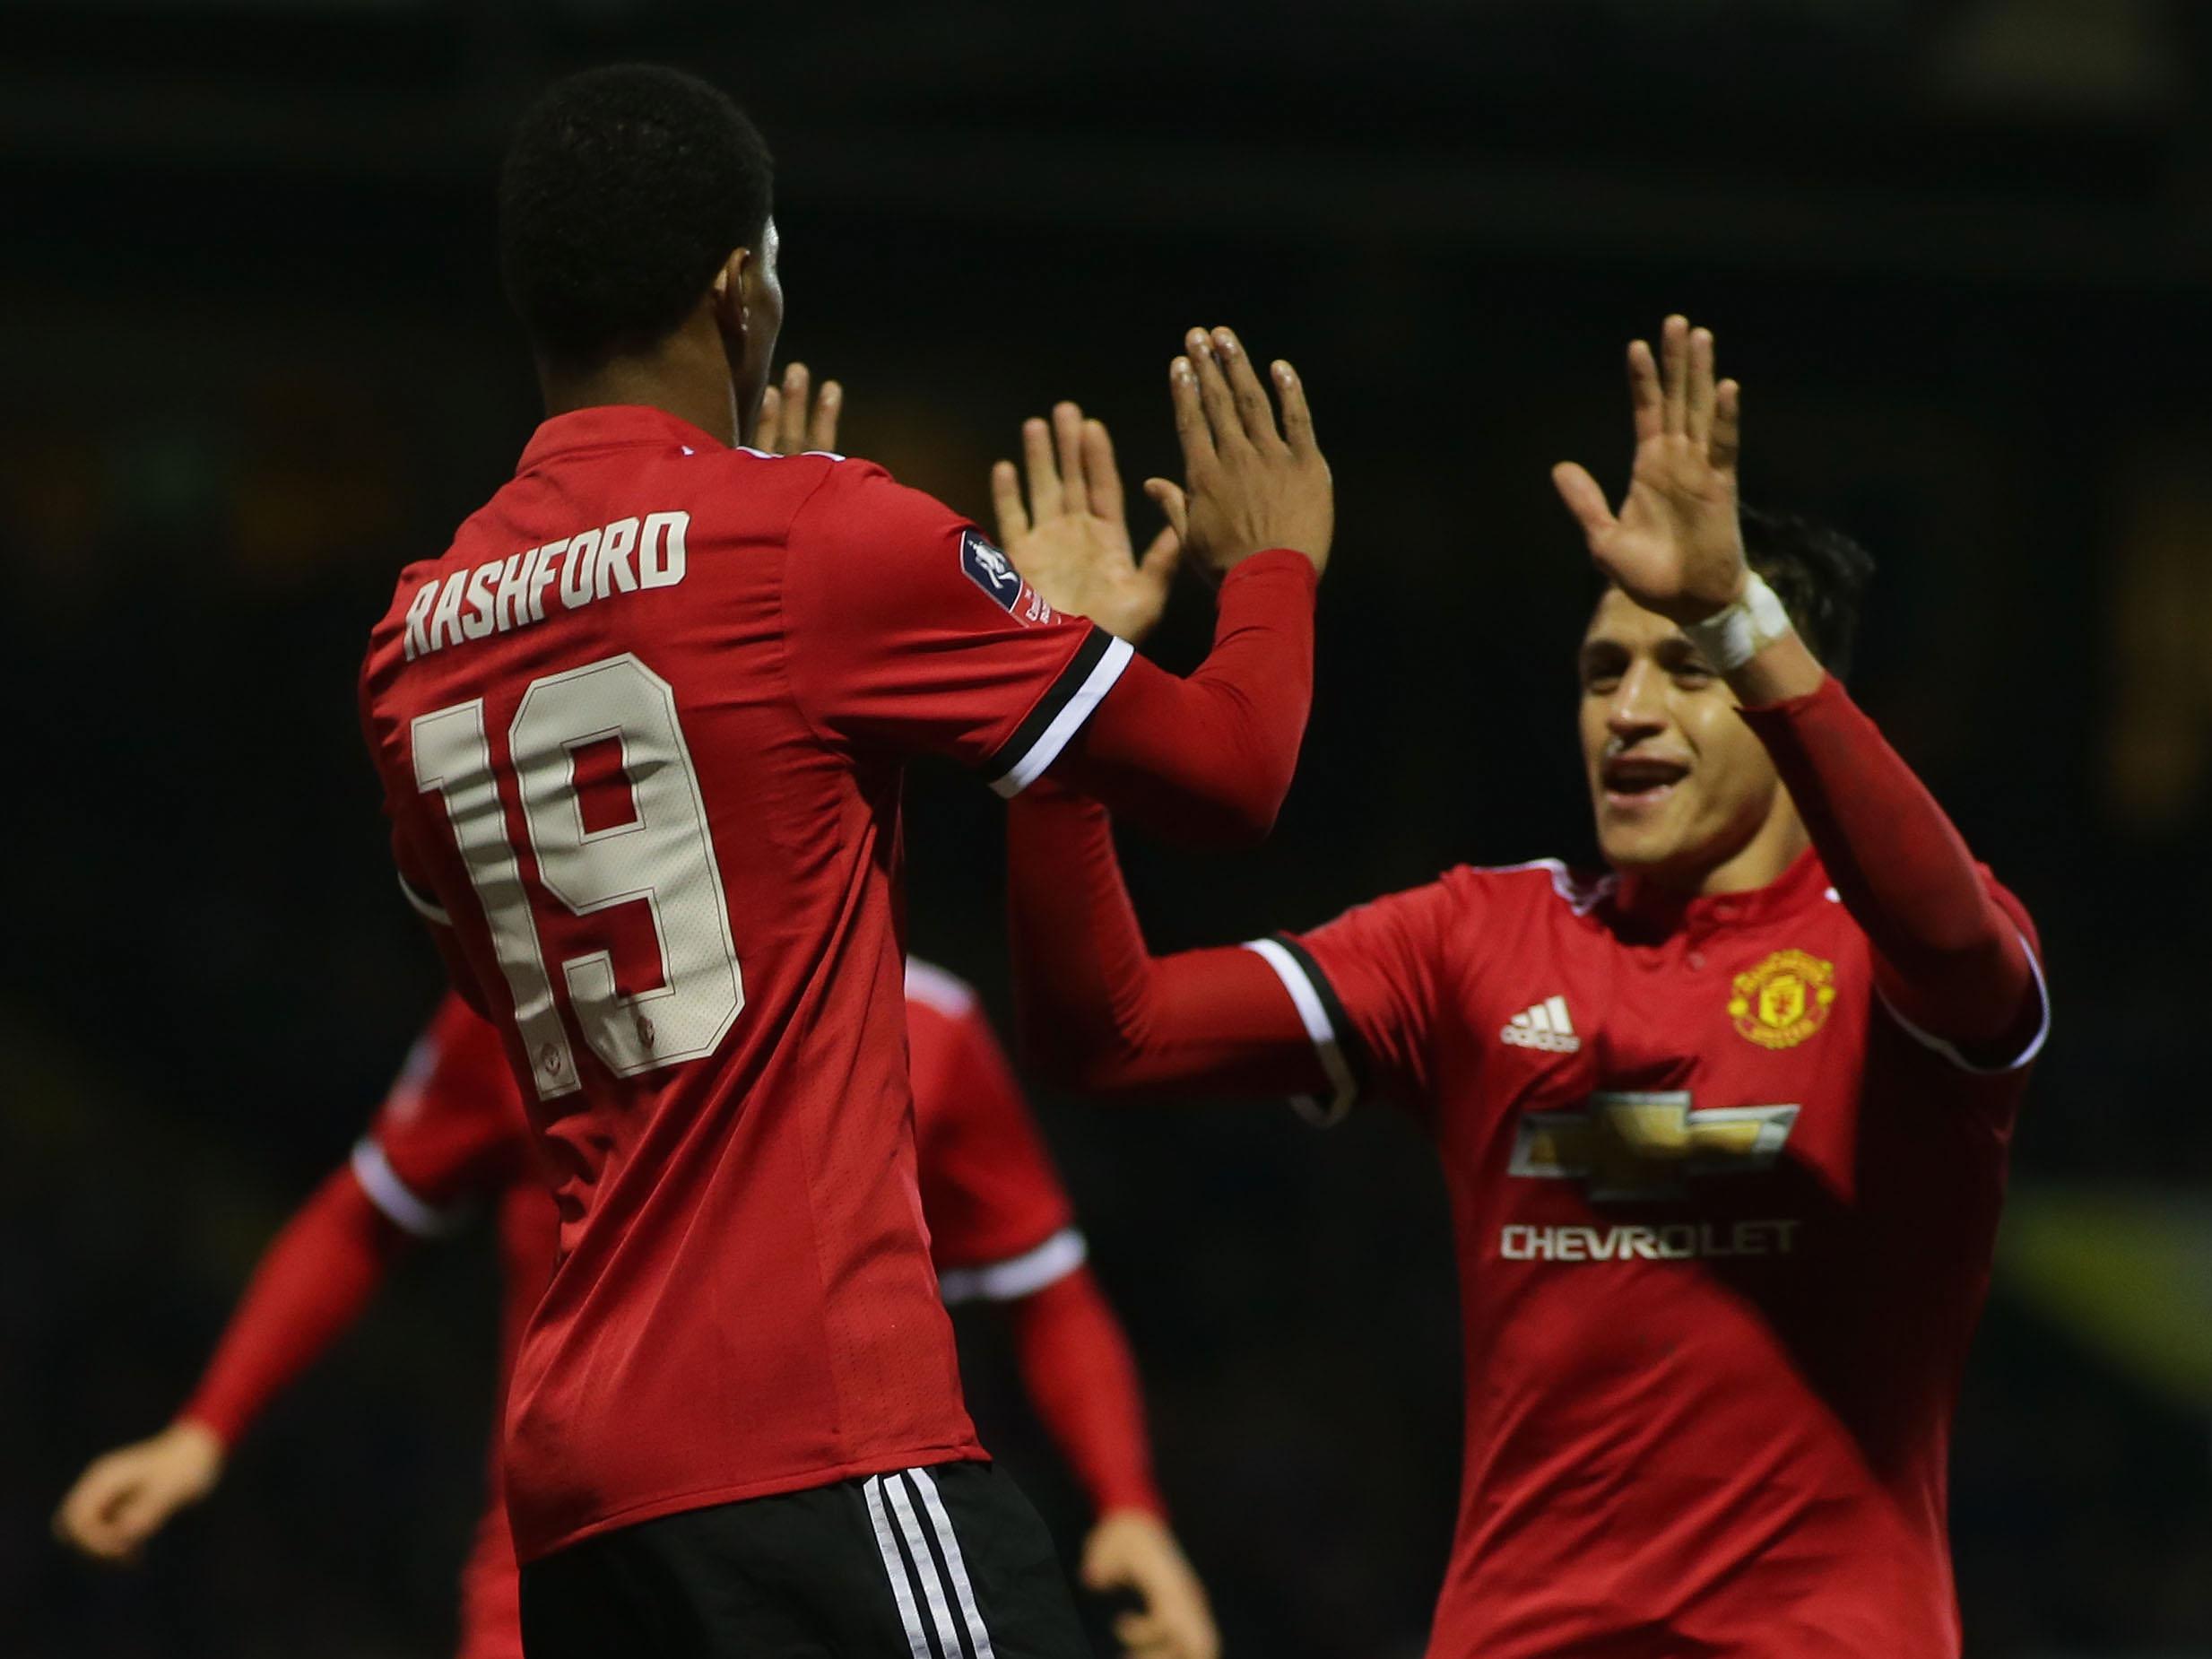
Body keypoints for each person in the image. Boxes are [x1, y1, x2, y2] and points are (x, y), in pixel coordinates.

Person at [355, 62, 1329, 1657]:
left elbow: (500, 967)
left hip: (575, 1490)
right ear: (741, 291)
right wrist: (1278, 555)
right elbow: (1233, 776)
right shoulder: (817, 534)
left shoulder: (414, 636)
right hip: (810, 1431)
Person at [998, 317, 2047, 1657]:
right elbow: (1111, 1034)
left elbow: (1964, 956)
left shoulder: (1897, 954)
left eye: (1686, 667)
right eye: (1604, 670)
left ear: (1788, 691)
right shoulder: (1475, 939)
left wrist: (1740, 615)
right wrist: (1062, 715)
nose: (1628, 710)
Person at [55, 964, 1219, 1659]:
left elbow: (1048, 1287)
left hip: (822, 1565)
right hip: (562, 1584)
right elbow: (370, 1208)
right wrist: (204, 1426)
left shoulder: (930, 1029)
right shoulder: (524, 1007)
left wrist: (1128, 1498)